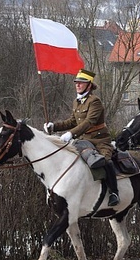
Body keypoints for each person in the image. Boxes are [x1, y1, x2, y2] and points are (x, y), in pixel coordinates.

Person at [44, 69, 119, 207]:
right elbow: (72, 121)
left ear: (89, 85)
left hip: (100, 140)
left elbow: (89, 122)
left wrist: (70, 134)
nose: (77, 85)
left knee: (106, 161)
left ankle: (114, 192)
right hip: (83, 141)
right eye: (76, 83)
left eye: (81, 83)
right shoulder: (76, 102)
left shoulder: (94, 101)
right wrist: (54, 126)